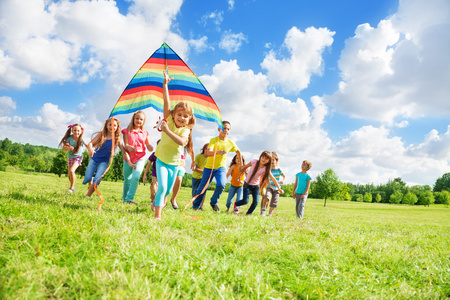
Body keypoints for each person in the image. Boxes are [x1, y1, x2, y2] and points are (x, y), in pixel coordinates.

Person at [153, 70, 195, 220]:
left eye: (185, 116)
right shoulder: (169, 120)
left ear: (189, 119)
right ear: (173, 114)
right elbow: (166, 102)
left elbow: (181, 142)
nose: (182, 118)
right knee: (162, 187)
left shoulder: (186, 131)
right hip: (162, 160)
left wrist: (166, 131)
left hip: (175, 163)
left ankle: (161, 201)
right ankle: (158, 215)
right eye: (179, 114)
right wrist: (165, 85)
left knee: (168, 190)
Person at [192, 121, 242, 212]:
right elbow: (208, 153)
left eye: (228, 129)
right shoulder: (213, 140)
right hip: (209, 168)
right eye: (224, 128)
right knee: (203, 187)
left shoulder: (230, 142)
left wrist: (241, 165)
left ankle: (213, 202)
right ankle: (196, 206)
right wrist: (219, 152)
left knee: (221, 184)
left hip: (221, 168)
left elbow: (238, 152)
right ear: (219, 129)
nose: (225, 130)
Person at [234, 151, 284, 215]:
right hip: (247, 184)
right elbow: (245, 167)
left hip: (255, 186)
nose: (263, 159)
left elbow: (273, 179)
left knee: (256, 202)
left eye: (266, 159)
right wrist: (240, 175)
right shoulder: (254, 162)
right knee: (245, 201)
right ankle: (236, 204)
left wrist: (279, 188)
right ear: (260, 156)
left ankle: (248, 214)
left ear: (269, 161)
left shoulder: (266, 168)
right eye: (263, 157)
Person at [121, 110, 154, 205]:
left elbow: (148, 145)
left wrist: (150, 147)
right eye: (137, 119)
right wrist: (128, 147)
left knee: (135, 177)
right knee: (127, 179)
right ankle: (124, 199)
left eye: (141, 119)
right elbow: (126, 144)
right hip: (128, 158)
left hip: (140, 158)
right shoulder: (126, 131)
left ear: (143, 121)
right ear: (133, 119)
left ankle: (129, 199)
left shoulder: (145, 133)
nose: (139, 121)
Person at [83, 118, 121, 197]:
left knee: (97, 180)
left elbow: (123, 149)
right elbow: (90, 143)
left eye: (114, 125)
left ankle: (87, 196)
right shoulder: (101, 134)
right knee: (86, 179)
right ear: (106, 125)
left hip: (104, 162)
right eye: (110, 124)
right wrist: (90, 149)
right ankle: (90, 180)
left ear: (117, 127)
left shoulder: (117, 138)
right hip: (94, 158)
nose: (112, 127)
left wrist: (128, 154)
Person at [59, 123, 87, 193]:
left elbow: (87, 145)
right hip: (70, 157)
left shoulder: (81, 139)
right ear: (72, 131)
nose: (76, 132)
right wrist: (68, 148)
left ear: (81, 131)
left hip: (78, 156)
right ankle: (72, 184)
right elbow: (63, 148)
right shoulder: (69, 139)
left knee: (72, 171)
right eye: (75, 130)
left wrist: (92, 151)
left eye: (78, 131)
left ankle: (72, 187)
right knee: (69, 174)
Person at [260, 152, 285, 216]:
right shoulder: (268, 170)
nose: (272, 161)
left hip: (277, 189)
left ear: (276, 161)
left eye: (273, 160)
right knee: (267, 197)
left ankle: (269, 214)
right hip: (269, 187)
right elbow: (265, 180)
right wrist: (262, 187)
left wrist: (283, 180)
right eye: (271, 160)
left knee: (274, 202)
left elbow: (284, 176)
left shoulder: (278, 169)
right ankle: (263, 209)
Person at [143, 140, 160, 211]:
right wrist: (144, 175)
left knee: (161, 189)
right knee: (153, 189)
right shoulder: (154, 154)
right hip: (155, 174)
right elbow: (148, 165)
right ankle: (153, 201)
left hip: (163, 175)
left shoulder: (166, 155)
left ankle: (159, 202)